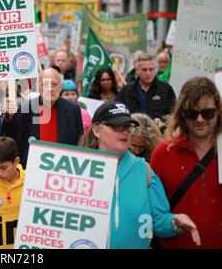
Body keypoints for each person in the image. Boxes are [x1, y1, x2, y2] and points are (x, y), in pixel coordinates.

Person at [78, 101, 201, 248]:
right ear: (97, 130)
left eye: (128, 127)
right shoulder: (77, 167)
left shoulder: (143, 170)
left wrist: (176, 222)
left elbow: (157, 220)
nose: (124, 131)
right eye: (117, 126)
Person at [150, 77, 222, 248]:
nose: (199, 119)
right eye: (192, 113)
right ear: (182, 112)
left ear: (218, 111)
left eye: (207, 113)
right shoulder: (163, 153)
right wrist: (174, 223)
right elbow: (153, 215)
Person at [1, 68, 84, 167]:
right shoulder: (25, 108)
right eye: (45, 84)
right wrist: (10, 117)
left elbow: (80, 140)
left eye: (54, 84)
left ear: (60, 87)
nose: (50, 89)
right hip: (32, 167)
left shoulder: (73, 109)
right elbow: (11, 138)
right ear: (38, 87)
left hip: (63, 167)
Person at [116, 52, 176, 131]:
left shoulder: (166, 89)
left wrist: (163, 123)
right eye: (144, 69)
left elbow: (175, 115)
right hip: (132, 135)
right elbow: (117, 111)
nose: (148, 73)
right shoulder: (127, 90)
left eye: (151, 69)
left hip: (158, 136)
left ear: (155, 69)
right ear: (137, 70)